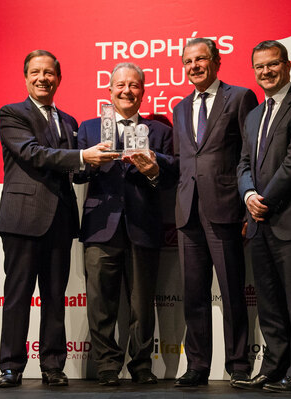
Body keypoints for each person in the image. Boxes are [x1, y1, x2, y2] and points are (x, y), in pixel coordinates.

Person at [0, 49, 117, 388]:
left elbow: (72, 173)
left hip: (60, 220)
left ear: (59, 79)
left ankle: (52, 366)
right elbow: (32, 154)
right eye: (35, 72)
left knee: (54, 297)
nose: (42, 78)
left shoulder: (69, 121)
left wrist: (93, 164)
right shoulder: (12, 114)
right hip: (22, 219)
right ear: (26, 77)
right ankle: (11, 366)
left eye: (49, 73)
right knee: (18, 295)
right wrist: (81, 155)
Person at [77, 62, 176, 386]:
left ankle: (141, 366)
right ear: (109, 91)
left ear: (143, 92)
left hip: (142, 227)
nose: (127, 90)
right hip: (100, 226)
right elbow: (76, 174)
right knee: (100, 304)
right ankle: (106, 366)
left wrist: (152, 167)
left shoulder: (159, 131)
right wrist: (90, 162)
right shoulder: (90, 128)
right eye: (120, 85)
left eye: (134, 85)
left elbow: (172, 174)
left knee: (141, 305)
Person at [234, 40, 291, 393]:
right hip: (259, 223)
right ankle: (273, 368)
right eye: (259, 67)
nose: (266, 72)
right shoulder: (254, 114)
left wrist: (264, 199)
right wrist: (248, 194)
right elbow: (243, 162)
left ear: (286, 65)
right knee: (270, 304)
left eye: (272, 64)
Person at [172, 38, 258, 387]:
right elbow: (182, 160)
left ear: (216, 62)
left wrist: (246, 209)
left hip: (225, 209)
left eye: (201, 59)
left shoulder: (239, 97)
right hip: (187, 212)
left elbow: (249, 154)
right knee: (193, 294)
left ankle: (238, 365)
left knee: (232, 292)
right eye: (188, 61)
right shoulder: (179, 108)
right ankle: (197, 366)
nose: (194, 66)